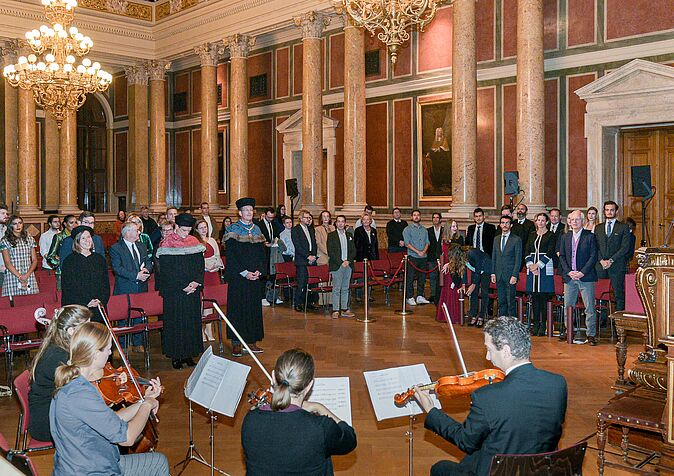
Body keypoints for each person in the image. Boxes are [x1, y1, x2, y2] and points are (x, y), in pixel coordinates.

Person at [414, 316, 567, 476]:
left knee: (440, 468)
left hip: (500, 471)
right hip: (541, 470)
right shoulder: (557, 383)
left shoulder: (486, 397)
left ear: (506, 351)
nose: (487, 356)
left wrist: (431, 410)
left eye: (489, 349)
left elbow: (465, 441)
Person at [50, 322, 168, 476]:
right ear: (95, 354)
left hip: (89, 464)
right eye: (107, 349)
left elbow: (111, 419)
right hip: (90, 471)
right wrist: (147, 405)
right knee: (157, 464)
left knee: (158, 462)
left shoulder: (78, 384)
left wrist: (141, 402)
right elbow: (127, 438)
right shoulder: (79, 394)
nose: (110, 354)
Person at [241, 348, 357, 475]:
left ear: (273, 377)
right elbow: (349, 439)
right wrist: (319, 407)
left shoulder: (250, 421)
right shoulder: (321, 428)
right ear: (309, 386)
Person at [28, 305, 91, 442]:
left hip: (58, 411)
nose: (90, 330)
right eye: (86, 326)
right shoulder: (58, 356)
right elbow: (81, 385)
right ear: (71, 331)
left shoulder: (65, 348)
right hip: (46, 421)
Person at [156, 213, 205, 369]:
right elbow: (165, 271)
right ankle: (176, 355)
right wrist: (182, 285)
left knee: (191, 322)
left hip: (192, 290)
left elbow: (199, 265)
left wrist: (196, 282)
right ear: (176, 227)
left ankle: (189, 354)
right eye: (183, 230)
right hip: (175, 292)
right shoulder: (166, 244)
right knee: (176, 323)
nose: (186, 234)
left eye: (189, 230)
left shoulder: (194, 241)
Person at [224, 198, 267, 357]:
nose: (249, 212)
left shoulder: (257, 230)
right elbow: (232, 256)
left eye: (251, 210)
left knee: (253, 309)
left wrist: (259, 271)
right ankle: (236, 342)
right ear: (239, 212)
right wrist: (244, 272)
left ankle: (251, 341)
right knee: (237, 309)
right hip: (239, 278)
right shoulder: (232, 230)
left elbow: (262, 255)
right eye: (246, 210)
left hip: (254, 278)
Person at [109, 222, 153, 351]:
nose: (139, 233)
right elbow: (117, 268)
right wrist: (135, 276)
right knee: (123, 318)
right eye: (136, 230)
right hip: (125, 287)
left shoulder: (142, 246)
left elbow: (148, 262)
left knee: (139, 316)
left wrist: (146, 271)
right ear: (127, 233)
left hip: (141, 287)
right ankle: (123, 346)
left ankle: (138, 344)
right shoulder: (116, 248)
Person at [558, 210, 599, 345]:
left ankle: (591, 334)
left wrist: (582, 272)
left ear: (583, 221)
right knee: (568, 306)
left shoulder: (590, 236)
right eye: (572, 220)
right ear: (569, 222)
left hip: (586, 277)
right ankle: (568, 330)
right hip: (570, 277)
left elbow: (593, 257)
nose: (574, 222)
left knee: (589, 308)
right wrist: (569, 271)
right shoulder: (565, 237)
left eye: (577, 219)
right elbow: (562, 256)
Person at [61, 225, 110, 322]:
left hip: (98, 306)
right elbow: (68, 287)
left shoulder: (99, 259)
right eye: (83, 238)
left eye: (88, 237)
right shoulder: (70, 261)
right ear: (77, 241)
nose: (87, 240)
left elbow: (105, 284)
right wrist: (86, 302)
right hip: (79, 307)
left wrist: (100, 300)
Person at [594, 201, 631, 312]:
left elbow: (625, 247)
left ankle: (618, 324)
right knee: (600, 294)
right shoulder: (598, 228)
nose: (609, 212)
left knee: (618, 294)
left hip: (617, 265)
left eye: (611, 210)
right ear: (604, 211)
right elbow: (595, 246)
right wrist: (601, 260)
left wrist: (611, 260)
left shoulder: (623, 227)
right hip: (600, 265)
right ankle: (603, 321)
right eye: (607, 210)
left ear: (616, 211)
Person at [525, 213, 556, 336]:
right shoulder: (532, 235)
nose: (541, 222)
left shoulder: (551, 235)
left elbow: (550, 252)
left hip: (544, 267)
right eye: (539, 220)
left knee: (543, 298)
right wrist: (531, 266)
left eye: (543, 220)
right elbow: (527, 250)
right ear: (536, 222)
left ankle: (543, 325)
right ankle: (535, 324)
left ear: (546, 222)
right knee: (534, 298)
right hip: (532, 268)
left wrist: (538, 265)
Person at [194, 218, 224, 342]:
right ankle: (201, 330)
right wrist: (207, 266)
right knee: (202, 303)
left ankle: (209, 329)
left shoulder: (212, 240)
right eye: (201, 227)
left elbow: (217, 255)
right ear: (196, 229)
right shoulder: (195, 242)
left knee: (211, 304)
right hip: (204, 275)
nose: (203, 230)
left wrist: (216, 265)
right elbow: (197, 260)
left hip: (213, 275)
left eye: (205, 227)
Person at [0, 215, 40, 297]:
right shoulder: (5, 241)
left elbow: (35, 260)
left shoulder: (30, 239)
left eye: (20, 223)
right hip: (13, 275)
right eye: (15, 224)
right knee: (13, 304)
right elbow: (7, 263)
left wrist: (27, 275)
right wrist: (20, 277)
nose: (18, 226)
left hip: (28, 274)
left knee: (32, 301)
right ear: (10, 226)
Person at [490, 216, 522, 317]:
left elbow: (518, 259)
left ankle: (512, 324)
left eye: (507, 223)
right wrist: (493, 273)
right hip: (499, 274)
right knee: (501, 301)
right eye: (503, 223)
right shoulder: (496, 239)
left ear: (511, 225)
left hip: (510, 276)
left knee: (511, 302)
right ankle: (502, 323)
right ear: (500, 225)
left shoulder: (516, 240)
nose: (504, 225)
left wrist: (515, 275)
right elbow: (494, 257)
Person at [327, 215, 356, 319]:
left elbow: (353, 250)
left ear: (345, 223)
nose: (340, 223)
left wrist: (348, 261)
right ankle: (335, 310)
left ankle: (344, 309)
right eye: (338, 221)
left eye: (342, 221)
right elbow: (331, 252)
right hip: (337, 265)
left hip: (348, 265)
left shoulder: (349, 235)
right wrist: (341, 262)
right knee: (336, 288)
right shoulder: (331, 236)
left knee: (345, 288)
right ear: (335, 223)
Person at [292, 209, 318, 312]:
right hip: (302, 260)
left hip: (312, 259)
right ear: (301, 218)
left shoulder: (311, 229)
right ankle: (298, 303)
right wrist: (308, 256)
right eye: (307, 217)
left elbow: (314, 243)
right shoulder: (296, 230)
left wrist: (314, 255)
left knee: (311, 283)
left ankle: (309, 302)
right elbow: (297, 246)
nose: (309, 219)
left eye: (309, 217)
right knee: (301, 282)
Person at [403, 210, 430, 306]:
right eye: (414, 215)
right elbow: (407, 243)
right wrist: (418, 251)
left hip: (423, 257)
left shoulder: (424, 230)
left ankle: (420, 296)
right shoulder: (407, 229)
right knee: (410, 277)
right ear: (411, 217)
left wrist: (423, 251)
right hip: (413, 256)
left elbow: (427, 242)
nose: (416, 217)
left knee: (422, 277)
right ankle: (409, 297)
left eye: (418, 215)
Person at [256, 207, 280, 307]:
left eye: (272, 217)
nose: (270, 219)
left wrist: (275, 240)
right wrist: (264, 244)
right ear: (265, 215)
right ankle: (262, 297)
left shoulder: (274, 223)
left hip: (272, 252)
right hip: (263, 253)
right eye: (269, 217)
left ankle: (273, 296)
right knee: (263, 275)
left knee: (273, 274)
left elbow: (276, 234)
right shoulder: (259, 225)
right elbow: (257, 239)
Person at [436, 244, 466, 324]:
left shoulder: (450, 264)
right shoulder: (457, 263)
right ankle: (455, 316)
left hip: (452, 286)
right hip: (453, 286)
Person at [464, 246, 492, 327]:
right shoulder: (461, 257)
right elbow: (464, 270)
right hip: (476, 269)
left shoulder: (471, 253)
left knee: (484, 292)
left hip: (486, 268)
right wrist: (463, 284)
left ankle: (481, 317)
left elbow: (479, 267)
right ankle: (473, 315)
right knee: (474, 293)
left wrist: (473, 284)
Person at [354, 213, 379, 301]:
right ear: (361, 221)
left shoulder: (373, 231)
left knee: (369, 277)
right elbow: (355, 245)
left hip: (371, 257)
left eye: (367, 219)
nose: (366, 221)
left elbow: (375, 245)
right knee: (360, 277)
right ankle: (358, 295)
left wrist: (376, 258)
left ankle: (368, 295)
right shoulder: (358, 230)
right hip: (361, 257)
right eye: (364, 219)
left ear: (370, 221)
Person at [427, 213, 444, 304]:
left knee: (441, 277)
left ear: (440, 219)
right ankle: (433, 294)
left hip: (442, 258)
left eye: (437, 217)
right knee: (433, 277)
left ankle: (441, 294)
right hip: (431, 257)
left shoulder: (444, 230)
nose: (435, 219)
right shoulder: (428, 230)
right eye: (434, 217)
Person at [0, 205, 8, 289]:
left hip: (6, 268)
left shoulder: (6, 229)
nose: (6, 215)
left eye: (6, 213)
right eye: (3, 213)